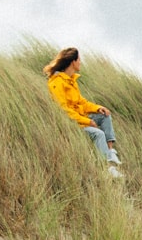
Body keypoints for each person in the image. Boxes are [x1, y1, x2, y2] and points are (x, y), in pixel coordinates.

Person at [44, 47, 123, 178]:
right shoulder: (57, 82)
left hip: (81, 120)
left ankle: (110, 153)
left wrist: (98, 108)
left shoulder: (71, 80)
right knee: (98, 134)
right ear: (72, 62)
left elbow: (82, 102)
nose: (80, 62)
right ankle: (107, 168)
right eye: (79, 59)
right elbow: (63, 110)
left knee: (105, 116)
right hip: (71, 124)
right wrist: (87, 121)